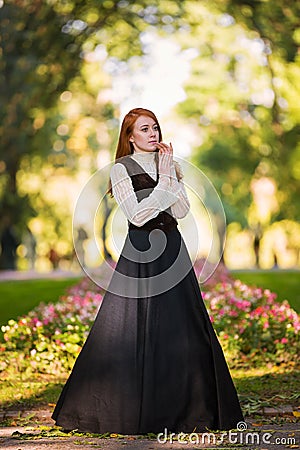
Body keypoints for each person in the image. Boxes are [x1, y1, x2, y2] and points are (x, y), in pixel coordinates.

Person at [52, 108, 244, 434]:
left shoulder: (168, 165)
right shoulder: (120, 170)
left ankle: (194, 411)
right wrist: (164, 183)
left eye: (155, 127)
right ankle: (121, 410)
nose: (153, 134)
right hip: (141, 253)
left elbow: (181, 210)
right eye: (145, 129)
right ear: (130, 136)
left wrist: (168, 172)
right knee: (132, 331)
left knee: (186, 327)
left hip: (174, 251)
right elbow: (138, 216)